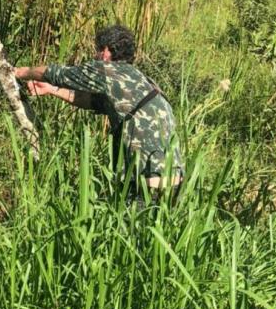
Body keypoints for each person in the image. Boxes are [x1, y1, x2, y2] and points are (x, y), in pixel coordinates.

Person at [14, 24, 184, 207]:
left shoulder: (107, 71)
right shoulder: (139, 80)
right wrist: (52, 90)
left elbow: (58, 73)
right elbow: (93, 102)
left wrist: (20, 72)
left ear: (106, 52)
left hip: (144, 185)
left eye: (97, 51)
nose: (95, 56)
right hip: (174, 183)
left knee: (121, 232)